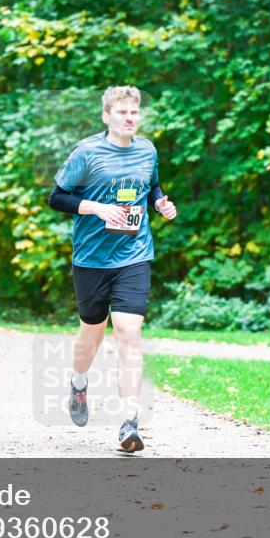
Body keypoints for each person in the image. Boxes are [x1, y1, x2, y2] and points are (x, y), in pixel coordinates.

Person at [47, 86, 177, 452]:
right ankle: (78, 383)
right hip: (91, 259)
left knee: (128, 332)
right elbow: (56, 197)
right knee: (92, 333)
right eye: (121, 112)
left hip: (134, 253)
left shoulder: (147, 150)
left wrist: (161, 204)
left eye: (134, 112)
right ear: (106, 116)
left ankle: (129, 422)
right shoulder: (87, 152)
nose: (129, 118)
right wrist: (97, 208)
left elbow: (151, 188)